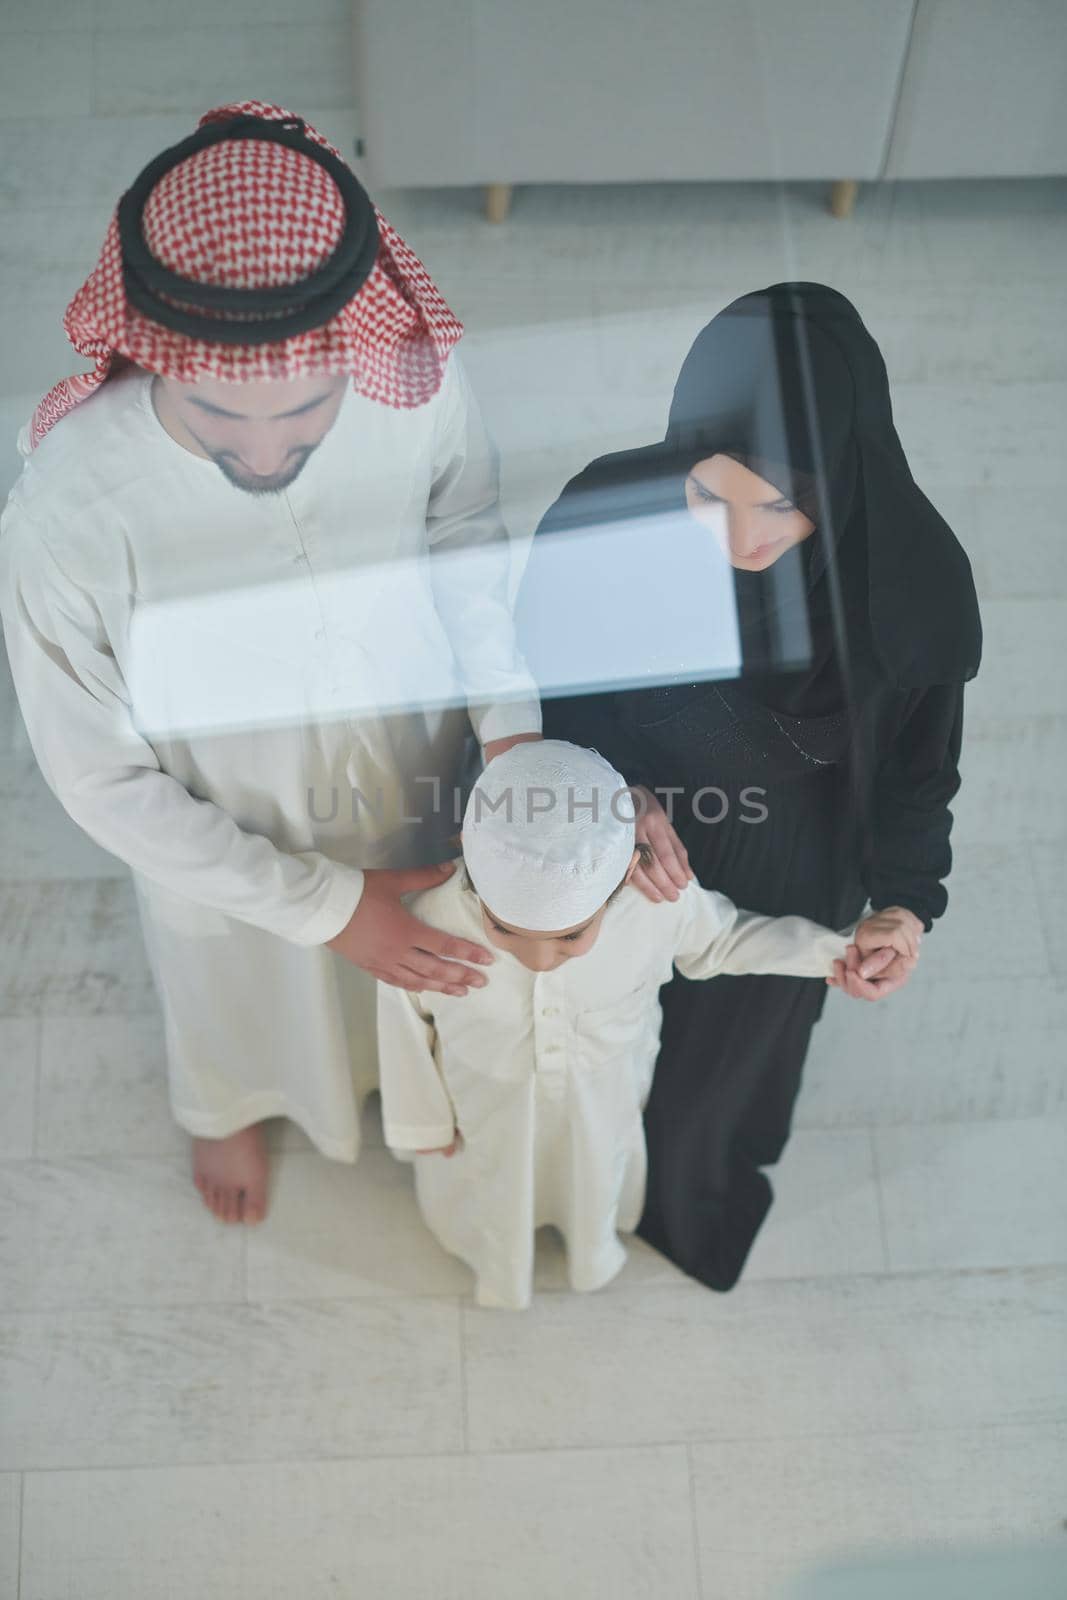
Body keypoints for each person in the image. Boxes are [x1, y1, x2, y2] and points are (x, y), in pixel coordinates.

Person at [0, 101, 542, 1226]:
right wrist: (331, 910)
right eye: (216, 416)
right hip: (220, 820)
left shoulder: (415, 380)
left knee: (419, 945)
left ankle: (399, 1086)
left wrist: (511, 725)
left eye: (304, 414)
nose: (264, 453)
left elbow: (464, 534)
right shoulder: (68, 506)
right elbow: (98, 776)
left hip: (406, 759)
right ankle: (226, 1104)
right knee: (236, 979)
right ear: (157, 358)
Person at [516, 283, 982, 1292]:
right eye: (709, 492)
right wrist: (611, 797)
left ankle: (674, 1204)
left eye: (779, 504)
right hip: (619, 827)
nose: (740, 537)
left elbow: (917, 773)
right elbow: (543, 687)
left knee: (715, 1081)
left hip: (794, 855)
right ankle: (562, 1198)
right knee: (580, 1041)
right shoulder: (605, 513)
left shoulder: (907, 587)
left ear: (843, 481)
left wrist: (902, 905)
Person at [375, 740, 919, 1310]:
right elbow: (404, 1021)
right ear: (469, 854)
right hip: (483, 1109)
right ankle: (497, 1265)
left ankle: (591, 1250)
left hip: (603, 1100)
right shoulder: (428, 922)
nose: (537, 959)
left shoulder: (654, 908)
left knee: (591, 1179)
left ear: (627, 871)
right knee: (490, 1188)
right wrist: (424, 1124)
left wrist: (833, 951)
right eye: (503, 927)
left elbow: (724, 939)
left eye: (569, 937)